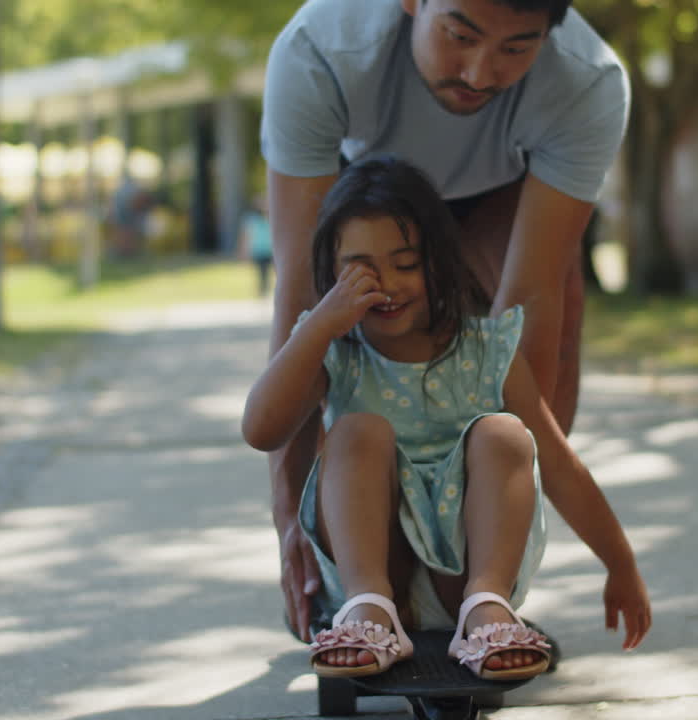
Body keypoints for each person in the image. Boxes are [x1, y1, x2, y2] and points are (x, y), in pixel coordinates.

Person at [261, 0, 631, 643]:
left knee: (549, 333)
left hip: (503, 190)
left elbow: (531, 300)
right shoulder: (319, 53)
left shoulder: (588, 84)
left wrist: (517, 521)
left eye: (517, 47)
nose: (481, 73)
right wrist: (289, 523)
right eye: (460, 35)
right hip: (367, 187)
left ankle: (485, 589)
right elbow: (299, 296)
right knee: (328, 365)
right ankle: (365, 584)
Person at [242, 156, 650, 679]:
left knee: (504, 433)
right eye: (360, 269)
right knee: (356, 430)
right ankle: (369, 610)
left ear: (439, 260)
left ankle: (486, 610)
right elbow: (260, 430)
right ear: (331, 272)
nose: (385, 284)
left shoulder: (488, 349)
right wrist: (317, 326)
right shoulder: (337, 351)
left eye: (406, 262)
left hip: (466, 575)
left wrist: (620, 562)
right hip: (375, 572)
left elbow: (561, 467)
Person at [242, 195, 274, 296]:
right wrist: (244, 251)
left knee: (270, 272)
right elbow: (246, 236)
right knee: (261, 271)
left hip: (270, 250)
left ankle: (267, 290)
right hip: (259, 250)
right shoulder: (252, 220)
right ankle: (262, 291)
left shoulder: (272, 219)